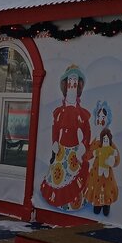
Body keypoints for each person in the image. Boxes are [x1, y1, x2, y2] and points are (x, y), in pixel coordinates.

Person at [39, 65, 92, 210]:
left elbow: (87, 131)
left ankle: (73, 203)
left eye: (75, 81)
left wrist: (83, 145)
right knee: (58, 175)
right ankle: (59, 201)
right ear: (65, 85)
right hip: (61, 150)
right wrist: (55, 142)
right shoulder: (60, 112)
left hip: (74, 151)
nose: (72, 84)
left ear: (79, 85)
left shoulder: (80, 112)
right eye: (70, 81)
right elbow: (55, 128)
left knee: (73, 175)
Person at [85, 127, 120, 216]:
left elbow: (117, 158)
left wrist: (112, 161)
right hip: (97, 172)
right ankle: (97, 203)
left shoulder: (111, 145)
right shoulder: (96, 142)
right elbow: (89, 154)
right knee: (97, 187)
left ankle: (106, 204)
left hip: (107, 174)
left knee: (107, 189)